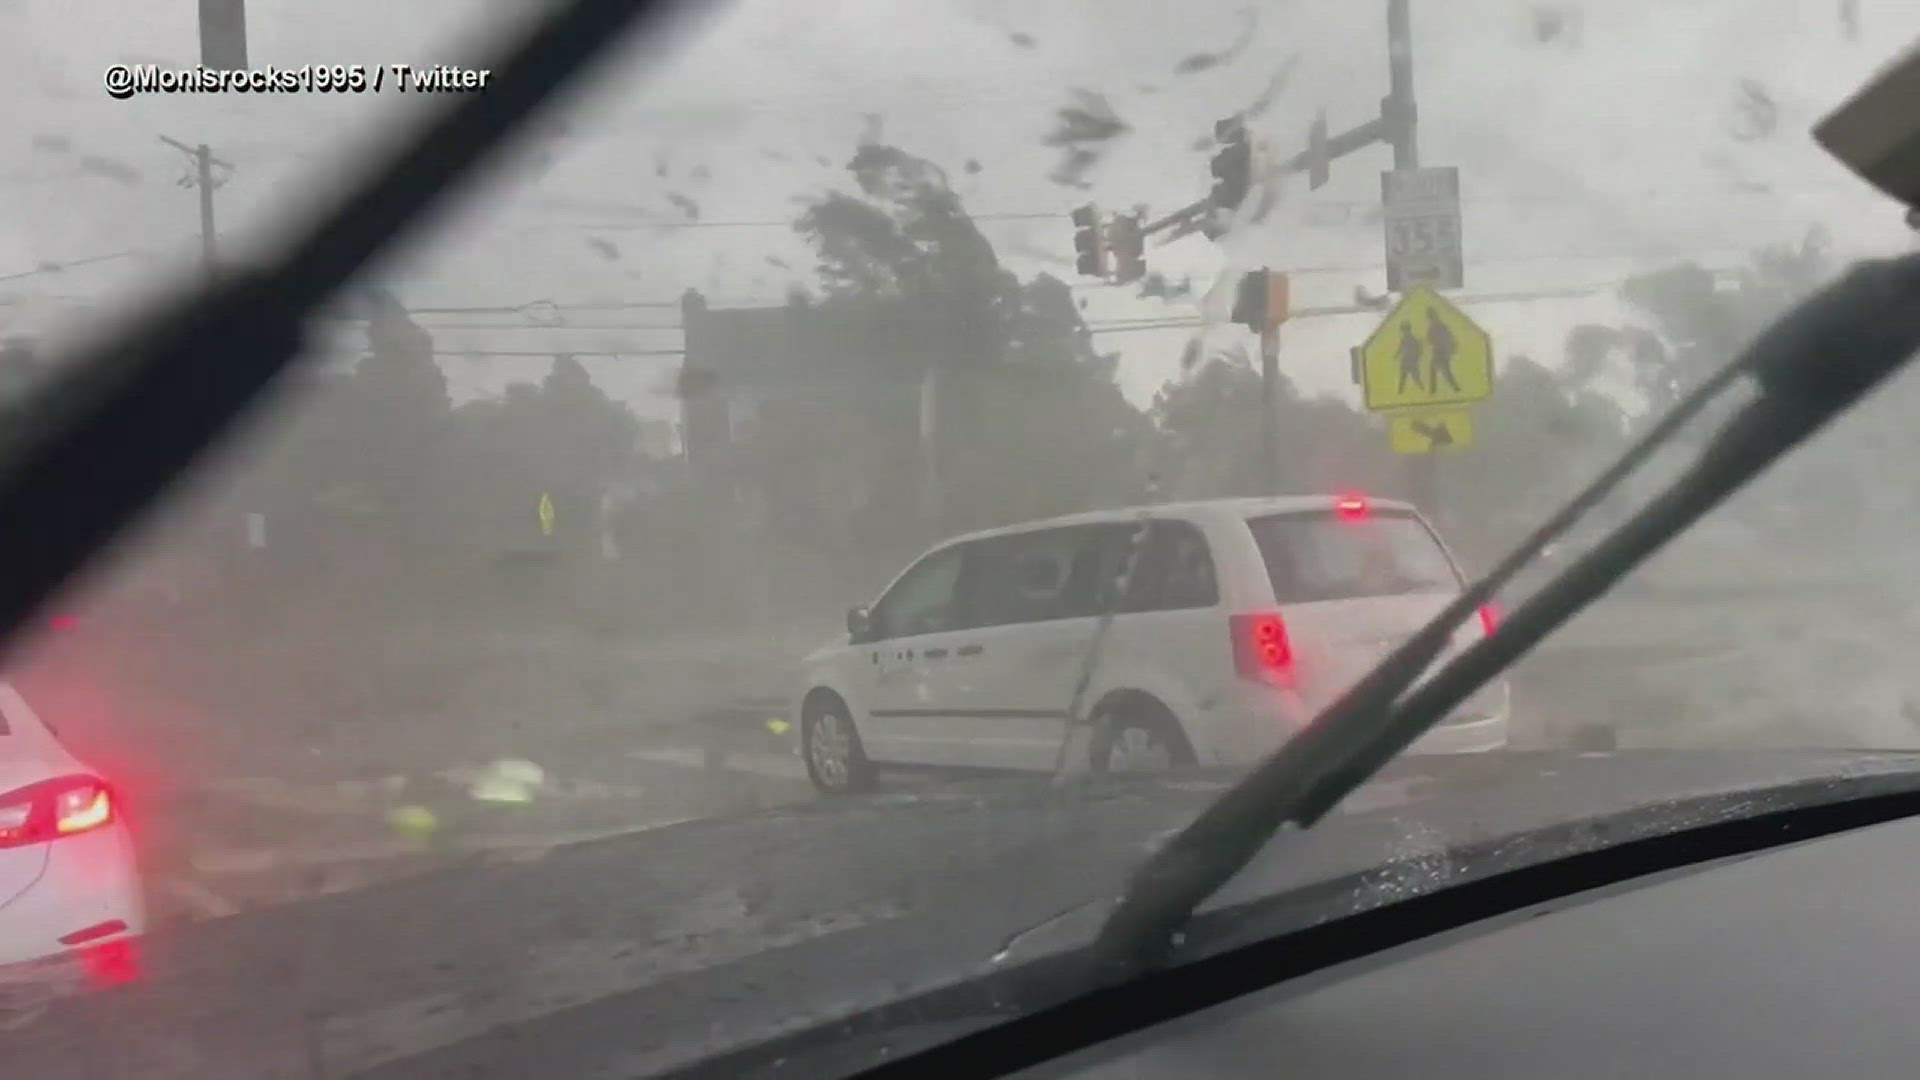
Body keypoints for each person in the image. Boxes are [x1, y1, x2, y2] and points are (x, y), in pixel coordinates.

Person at [1428, 308, 1461, 394]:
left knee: (1443, 371)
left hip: (1441, 351)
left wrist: (1449, 348)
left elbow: (1431, 338)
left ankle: (1434, 390)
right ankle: (1455, 388)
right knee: (1440, 371)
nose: (1430, 319)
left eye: (1430, 317)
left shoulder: (1438, 326)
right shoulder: (1437, 326)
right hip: (1440, 351)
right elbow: (1430, 339)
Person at [1396, 321, 1424, 395]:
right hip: (1405, 362)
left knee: (1416, 379)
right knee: (1402, 379)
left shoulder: (1414, 340)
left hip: (1412, 362)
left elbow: (1420, 351)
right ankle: (1399, 394)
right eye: (1403, 330)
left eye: (1405, 330)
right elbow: (1400, 348)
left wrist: (1416, 358)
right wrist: (1396, 355)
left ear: (1409, 330)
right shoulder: (1403, 340)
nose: (1404, 332)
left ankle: (1423, 391)